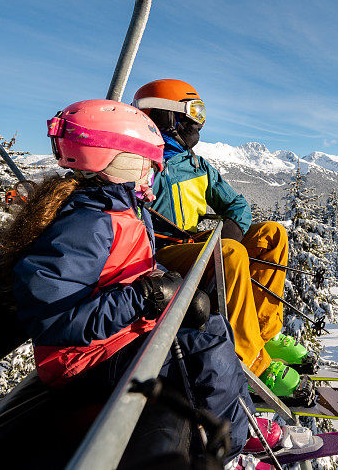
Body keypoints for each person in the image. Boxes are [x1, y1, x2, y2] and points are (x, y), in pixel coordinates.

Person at [0, 99, 255, 467]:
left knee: (206, 328)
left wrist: (163, 287)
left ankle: (227, 430)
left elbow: (123, 269)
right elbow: (50, 318)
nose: (151, 173)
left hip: (112, 340)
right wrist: (142, 298)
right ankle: (217, 447)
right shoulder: (86, 225)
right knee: (206, 343)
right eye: (147, 163)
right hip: (83, 362)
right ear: (120, 160)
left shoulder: (117, 209)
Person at [132, 79, 312, 397]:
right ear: (164, 115)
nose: (197, 122)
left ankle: (261, 332)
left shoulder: (197, 166)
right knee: (229, 253)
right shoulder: (140, 164)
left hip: (199, 247)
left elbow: (237, 205)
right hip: (163, 256)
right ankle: (251, 363)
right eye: (192, 113)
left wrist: (233, 227)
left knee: (272, 234)